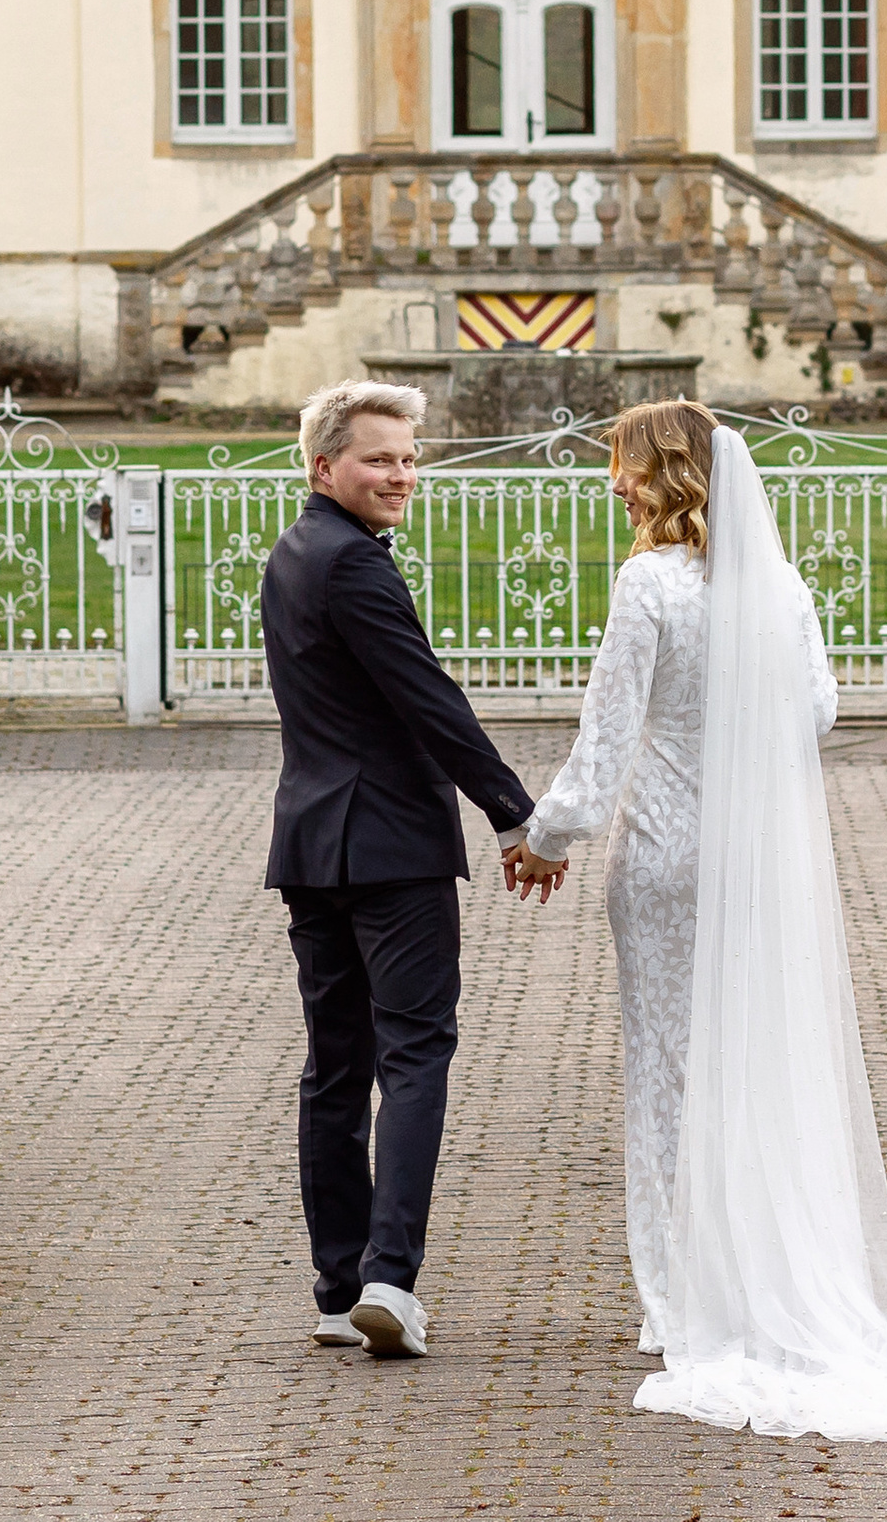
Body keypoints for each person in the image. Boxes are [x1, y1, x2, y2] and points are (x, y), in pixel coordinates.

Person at [509, 401, 887, 1449]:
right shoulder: (777, 586)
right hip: (759, 853)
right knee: (758, 1061)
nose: (613, 484)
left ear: (661, 474)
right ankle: (764, 1272)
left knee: (666, 1071)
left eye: (622, 466)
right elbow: (817, 709)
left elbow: (602, 743)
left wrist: (546, 838)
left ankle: (680, 1301)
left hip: (667, 853)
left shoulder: (648, 584)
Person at [262, 378, 539, 1363]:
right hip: (388, 849)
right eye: (381, 457)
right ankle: (388, 1276)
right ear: (324, 464)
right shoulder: (356, 567)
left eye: (411, 457)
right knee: (414, 1053)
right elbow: (430, 700)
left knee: (334, 1064)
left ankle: (339, 1288)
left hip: (311, 843)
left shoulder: (292, 553)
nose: (401, 474)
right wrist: (514, 811)